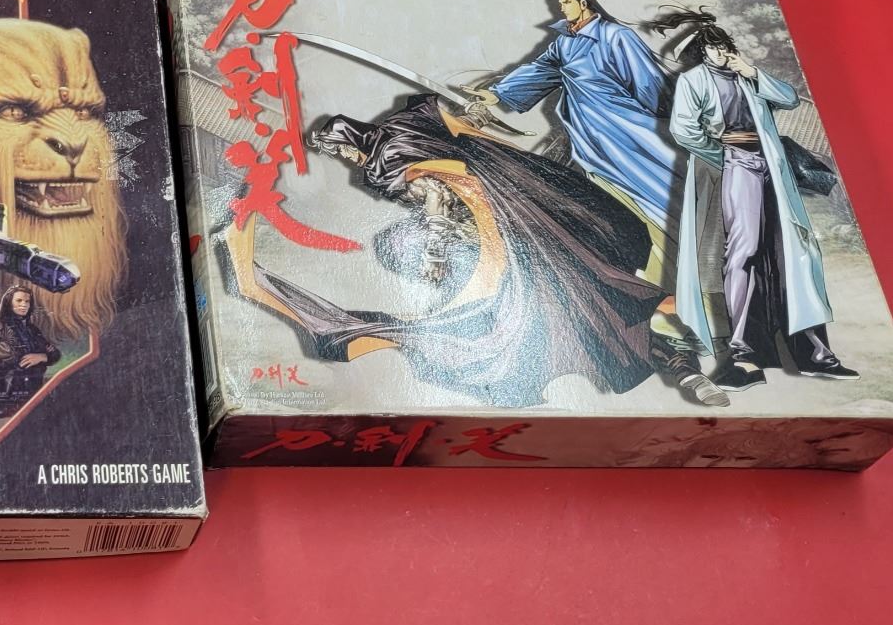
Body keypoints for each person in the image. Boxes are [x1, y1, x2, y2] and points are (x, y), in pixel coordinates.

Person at [277, 98, 668, 404]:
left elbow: (435, 194)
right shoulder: (402, 125)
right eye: (336, 154)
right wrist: (476, 114)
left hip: (485, 221)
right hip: (498, 204)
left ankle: (643, 344)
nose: (344, 158)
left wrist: (435, 252)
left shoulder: (388, 159)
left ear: (353, 138)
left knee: (528, 296)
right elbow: (454, 126)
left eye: (341, 150)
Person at [469, 0, 725, 405]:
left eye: (567, 2)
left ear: (584, 2)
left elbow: (650, 86)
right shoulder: (565, 42)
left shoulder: (617, 37)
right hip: (590, 141)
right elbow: (539, 71)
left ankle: (701, 311)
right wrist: (495, 94)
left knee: (664, 212)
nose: (562, 8)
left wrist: (673, 119)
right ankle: (655, 314)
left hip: (631, 134)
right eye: (560, 3)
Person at [658, 10, 857, 390]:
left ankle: (815, 354)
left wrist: (751, 71)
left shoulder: (747, 76)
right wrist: (720, 151)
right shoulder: (693, 80)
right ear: (702, 50)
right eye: (713, 47)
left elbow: (789, 99)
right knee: (744, 251)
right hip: (735, 167)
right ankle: (743, 353)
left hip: (771, 167)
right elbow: (683, 129)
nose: (720, 52)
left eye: (724, 46)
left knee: (795, 255)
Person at [0, 285, 61, 398]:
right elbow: (11, 359)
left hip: (34, 387)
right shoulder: (0, 328)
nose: (24, 304)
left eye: (27, 301)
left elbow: (55, 353)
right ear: (8, 303)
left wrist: (42, 357)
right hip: (11, 389)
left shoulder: (33, 329)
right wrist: (40, 355)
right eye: (19, 300)